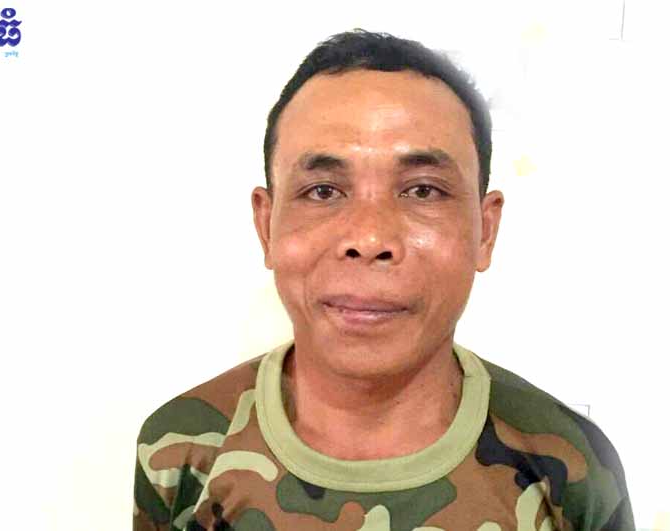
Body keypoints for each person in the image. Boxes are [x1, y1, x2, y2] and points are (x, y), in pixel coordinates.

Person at [134, 29, 634, 531]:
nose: (370, 237)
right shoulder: (180, 449)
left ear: (486, 230)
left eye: (423, 190)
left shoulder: (571, 466)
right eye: (323, 191)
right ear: (266, 226)